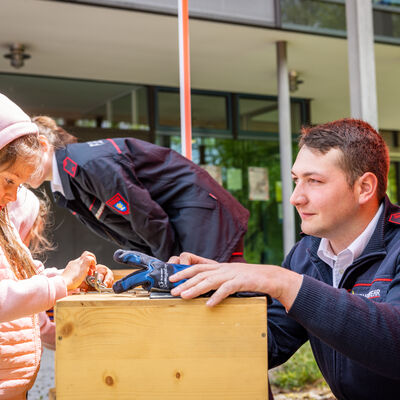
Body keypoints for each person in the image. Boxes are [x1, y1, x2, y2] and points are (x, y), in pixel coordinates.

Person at [168, 119, 400, 399]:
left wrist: (284, 282)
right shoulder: (308, 253)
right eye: (296, 180)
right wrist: (204, 294)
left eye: (314, 181)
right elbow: (267, 345)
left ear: (364, 188)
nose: (295, 198)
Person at [0, 93, 110, 399]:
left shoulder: (3, 218)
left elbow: (22, 279)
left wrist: (71, 281)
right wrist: (60, 283)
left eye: (20, 185)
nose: (14, 196)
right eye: (9, 180)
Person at [29, 116, 249, 263]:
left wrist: (164, 267)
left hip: (202, 219)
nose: (14, 171)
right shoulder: (68, 181)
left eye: (18, 157)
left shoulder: (87, 164)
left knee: (224, 296)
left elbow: (145, 215)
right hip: (185, 223)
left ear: (43, 145)